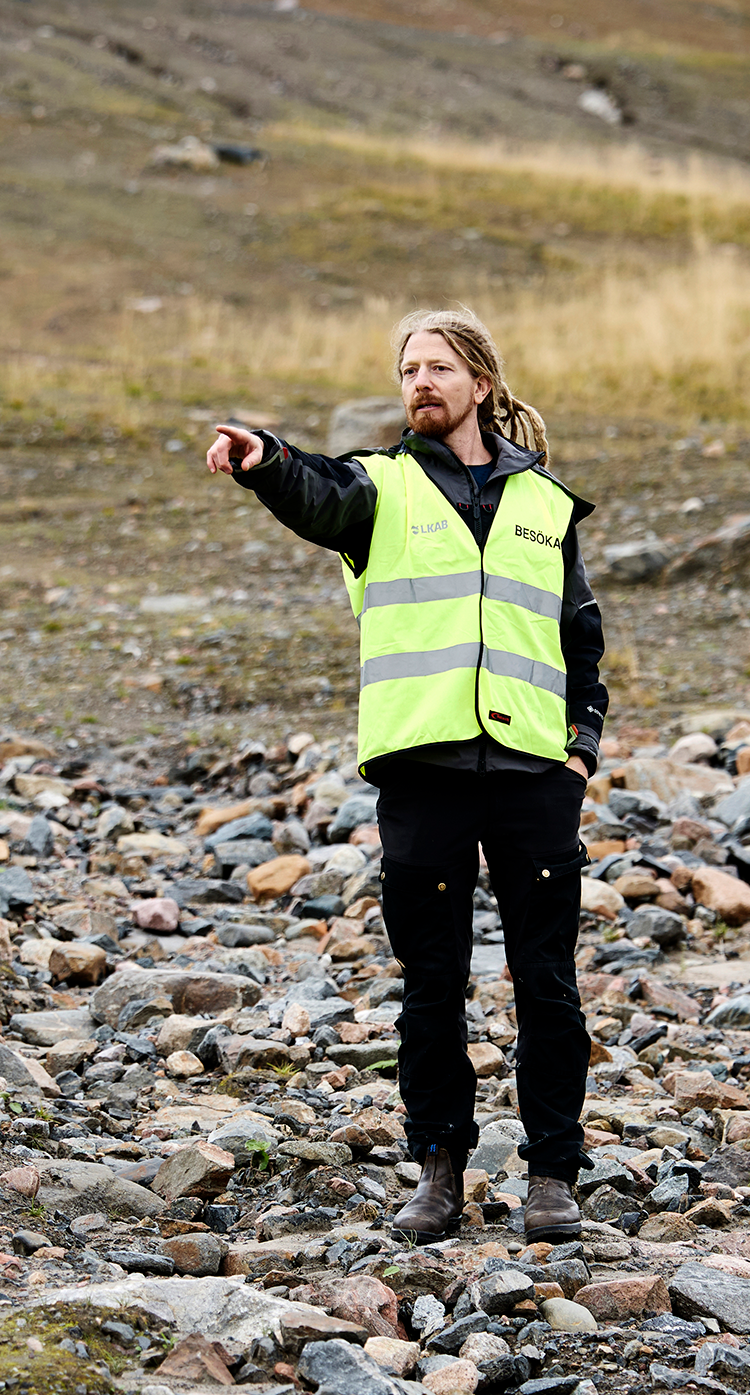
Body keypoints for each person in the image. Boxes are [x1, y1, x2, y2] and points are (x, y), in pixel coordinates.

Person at [204, 307, 605, 1243]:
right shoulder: (379, 488)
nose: (421, 382)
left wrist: (580, 746)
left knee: (547, 982)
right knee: (432, 983)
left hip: (533, 773)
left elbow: (579, 635)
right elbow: (316, 493)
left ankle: (553, 1175)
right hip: (423, 770)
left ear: (481, 384)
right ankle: (439, 1169)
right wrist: (266, 459)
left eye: (439, 367)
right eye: (409, 369)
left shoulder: (545, 504)